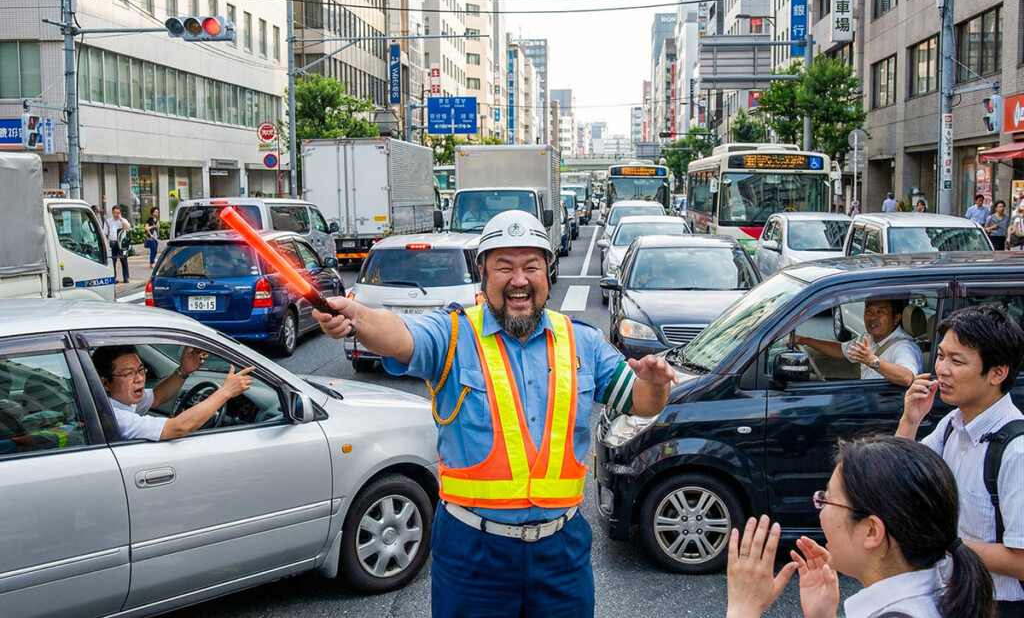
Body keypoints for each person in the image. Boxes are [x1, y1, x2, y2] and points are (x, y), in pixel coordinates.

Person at [313, 210, 674, 618]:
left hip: (563, 552)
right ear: (484, 275)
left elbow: (642, 402)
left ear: (548, 274)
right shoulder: (452, 334)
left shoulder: (582, 342)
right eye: (504, 267)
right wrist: (357, 317)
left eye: (531, 267)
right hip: (473, 554)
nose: (518, 279)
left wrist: (656, 383)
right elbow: (401, 335)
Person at [725, 434, 996, 618]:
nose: (820, 511)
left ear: (872, 531)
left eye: (828, 500)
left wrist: (743, 608)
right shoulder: (940, 596)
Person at [897, 305, 1024, 617]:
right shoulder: (953, 424)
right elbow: (897, 477)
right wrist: (910, 420)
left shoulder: (1016, 452)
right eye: (941, 356)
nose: (942, 369)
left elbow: (1021, 560)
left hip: (997, 607)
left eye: (957, 361)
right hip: (955, 596)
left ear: (998, 372)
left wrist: (945, 544)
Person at [93, 345, 254, 441]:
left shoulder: (117, 400)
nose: (139, 379)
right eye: (129, 374)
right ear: (105, 383)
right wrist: (225, 392)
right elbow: (179, 427)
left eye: (141, 370)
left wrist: (183, 371)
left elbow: (156, 396)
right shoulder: (117, 418)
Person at [794, 298, 922, 386]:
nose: (872, 317)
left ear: (896, 319)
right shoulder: (868, 338)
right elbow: (841, 350)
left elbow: (907, 377)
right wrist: (804, 340)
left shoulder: (904, 347)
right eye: (869, 311)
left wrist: (873, 361)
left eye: (880, 312)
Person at [103, 205, 131, 284]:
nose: (116, 214)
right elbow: (105, 233)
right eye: (115, 213)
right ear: (112, 213)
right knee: (113, 261)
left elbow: (128, 228)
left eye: (118, 213)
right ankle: (114, 278)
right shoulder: (108, 221)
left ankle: (126, 278)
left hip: (121, 243)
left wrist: (121, 219)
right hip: (112, 242)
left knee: (124, 260)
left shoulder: (123, 220)